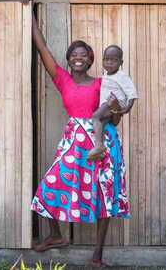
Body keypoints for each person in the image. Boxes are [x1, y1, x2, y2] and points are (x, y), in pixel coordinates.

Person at [30, 15, 130, 267]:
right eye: (74, 54)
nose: (78, 57)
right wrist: (28, 15)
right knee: (49, 184)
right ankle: (56, 235)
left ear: (90, 60)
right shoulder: (62, 79)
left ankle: (97, 255)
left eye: (84, 54)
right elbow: (42, 47)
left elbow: (114, 120)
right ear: (68, 58)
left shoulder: (102, 83)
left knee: (104, 195)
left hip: (100, 142)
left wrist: (115, 110)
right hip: (74, 140)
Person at [87, 45, 137, 161]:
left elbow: (132, 92)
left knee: (95, 116)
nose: (109, 63)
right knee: (102, 123)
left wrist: (127, 107)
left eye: (114, 60)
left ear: (121, 62)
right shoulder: (105, 76)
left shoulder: (122, 76)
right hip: (107, 104)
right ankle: (100, 149)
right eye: (106, 59)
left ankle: (98, 145)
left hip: (113, 102)